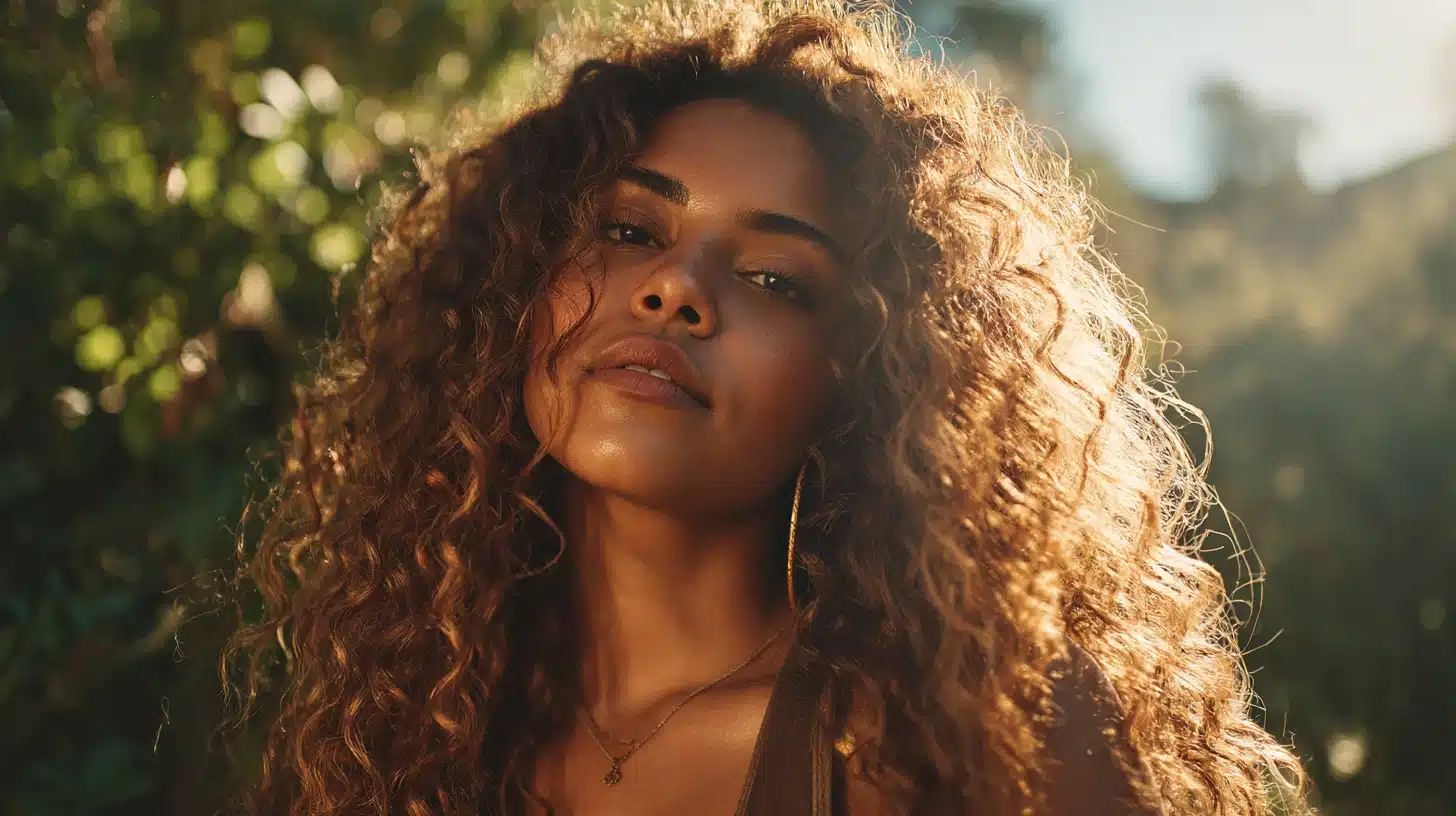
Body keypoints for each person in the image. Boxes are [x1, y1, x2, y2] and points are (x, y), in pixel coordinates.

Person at [223, 0, 1306, 813]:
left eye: (777, 279)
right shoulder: (406, 730)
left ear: (869, 373)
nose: (675, 291)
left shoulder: (973, 736)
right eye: (631, 231)